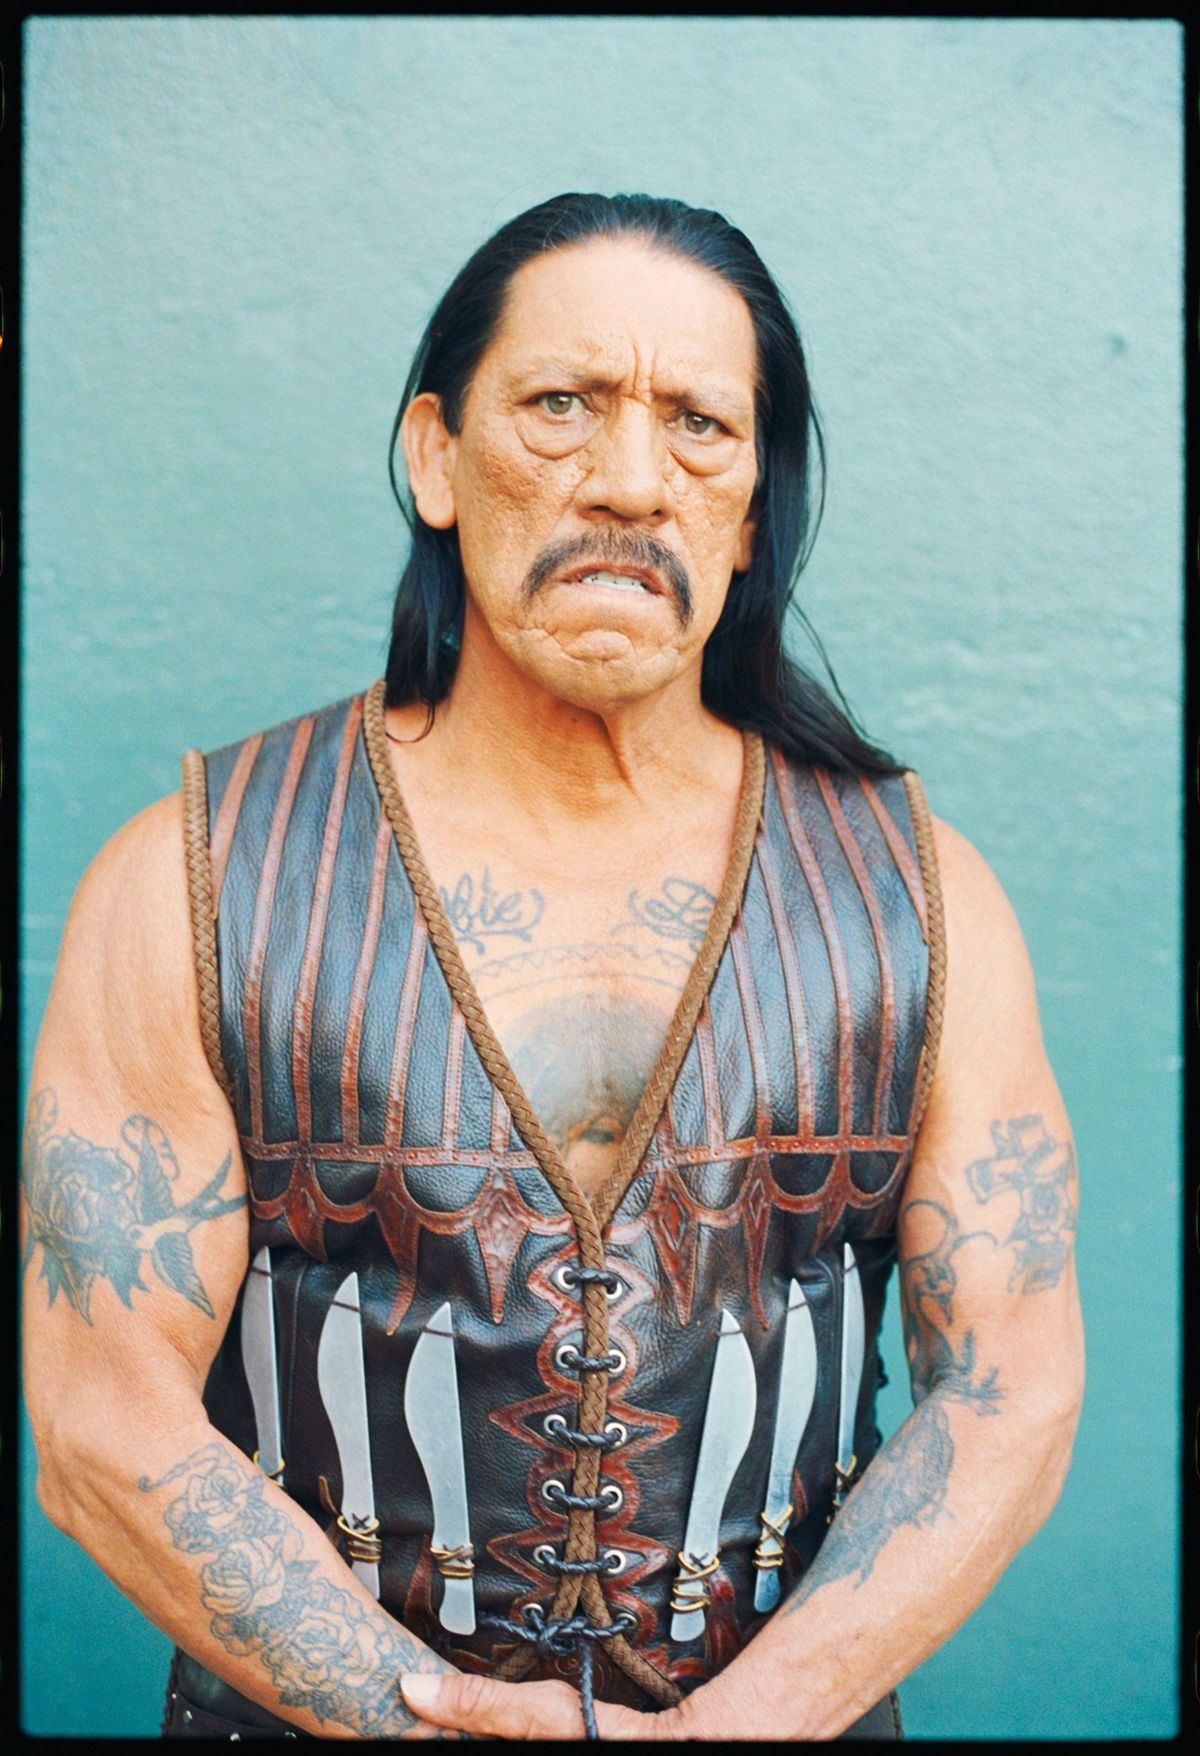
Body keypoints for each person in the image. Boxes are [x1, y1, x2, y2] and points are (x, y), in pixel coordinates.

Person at [21, 192, 1084, 1742]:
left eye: (700, 426)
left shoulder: (922, 900)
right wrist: (414, 1723)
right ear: (436, 458)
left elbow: (1010, 1386)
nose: (633, 481)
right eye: (563, 405)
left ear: (749, 511)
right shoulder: (190, 885)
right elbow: (100, 1415)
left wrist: (747, 1726)